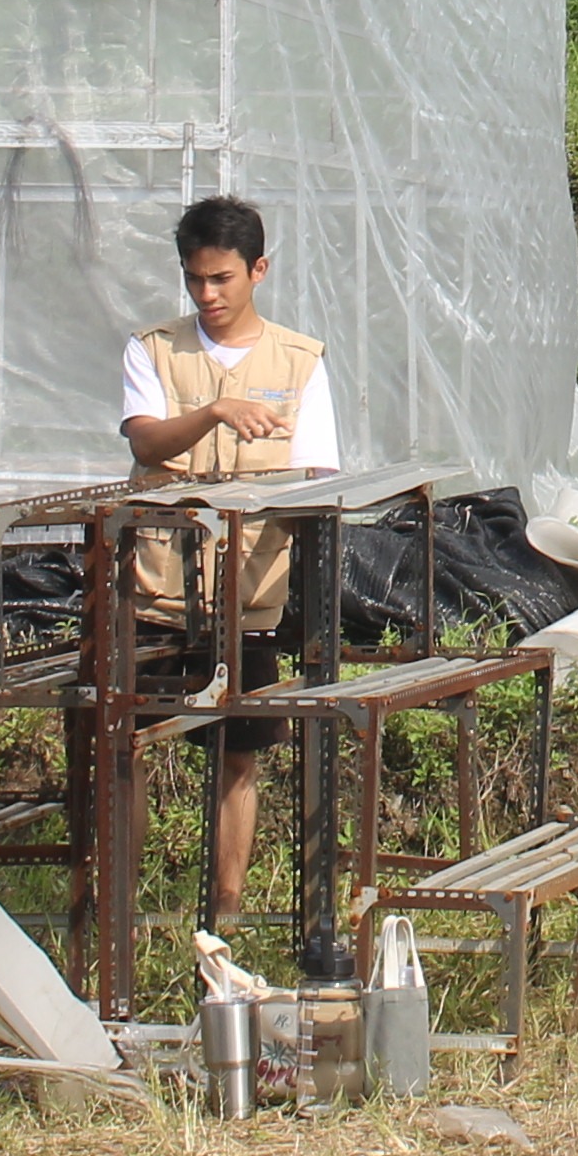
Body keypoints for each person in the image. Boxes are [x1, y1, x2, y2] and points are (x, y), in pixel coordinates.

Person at [117, 195, 344, 925]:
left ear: (258, 270)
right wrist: (216, 411)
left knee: (238, 756)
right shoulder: (152, 349)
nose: (208, 296)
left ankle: (228, 913)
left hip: (250, 597)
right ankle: (123, 907)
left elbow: (318, 479)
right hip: (158, 593)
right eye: (195, 281)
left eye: (222, 279)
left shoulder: (301, 362)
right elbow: (146, 444)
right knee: (132, 748)